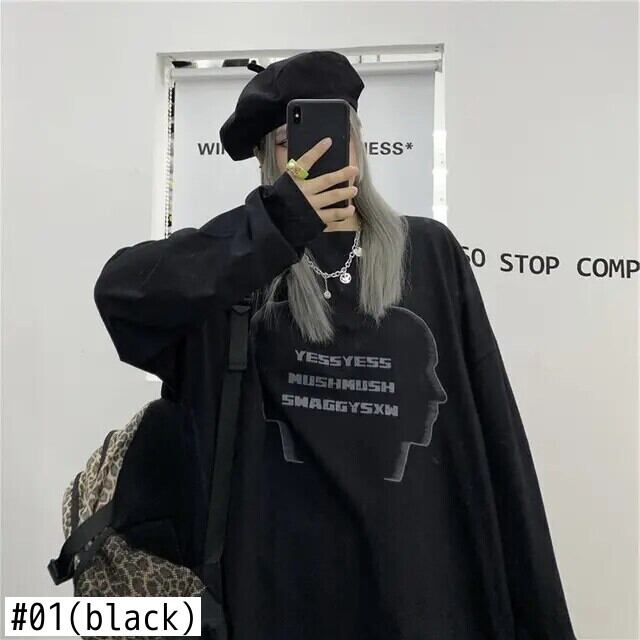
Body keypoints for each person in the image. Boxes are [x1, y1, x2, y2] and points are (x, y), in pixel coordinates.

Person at [94, 50, 577, 640]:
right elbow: (121, 295)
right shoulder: (236, 275)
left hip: (420, 600)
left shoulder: (428, 256)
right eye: (291, 141)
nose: (321, 153)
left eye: (339, 133)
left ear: (359, 144)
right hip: (274, 604)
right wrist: (273, 227)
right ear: (269, 161)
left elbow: (496, 441)